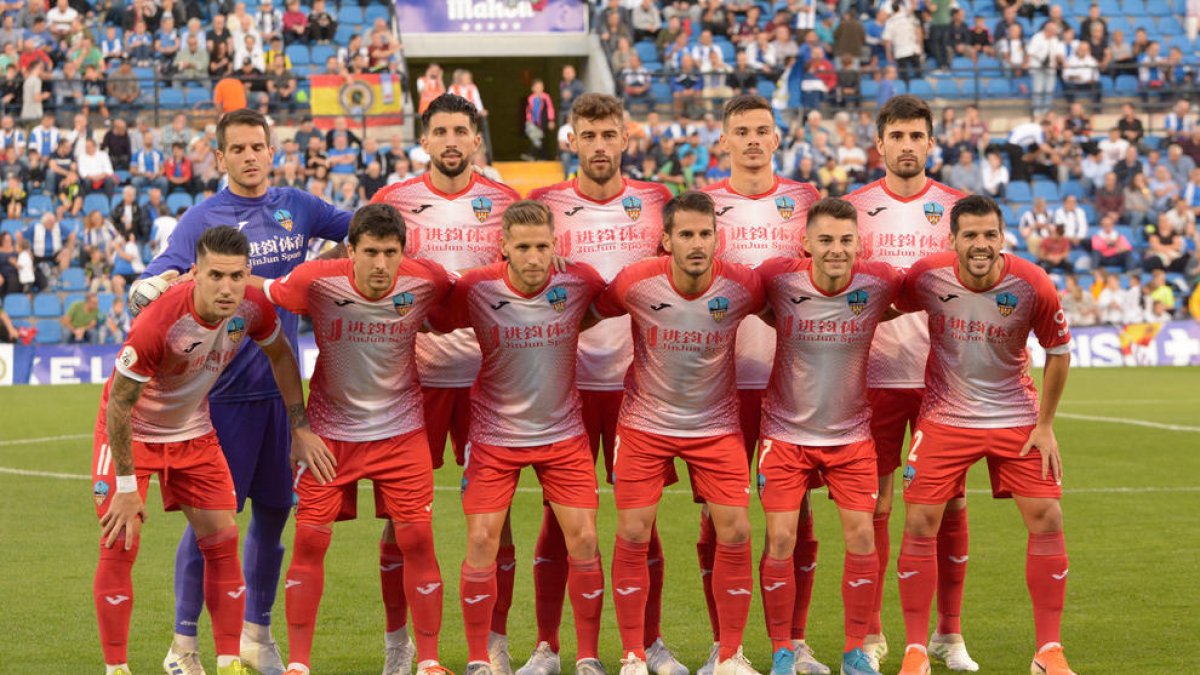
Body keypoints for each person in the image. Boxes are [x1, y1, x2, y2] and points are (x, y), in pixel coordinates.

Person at [132, 109, 352, 675]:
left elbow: (362, 231)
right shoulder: (203, 219)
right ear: (221, 156)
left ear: (271, 151)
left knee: (278, 512)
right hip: (221, 397)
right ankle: (183, 647)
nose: (251, 156)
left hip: (280, 395)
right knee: (214, 521)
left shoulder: (299, 207)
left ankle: (257, 634)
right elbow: (157, 279)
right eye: (240, 148)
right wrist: (152, 284)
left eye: (259, 146)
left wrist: (319, 269)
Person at [92, 225, 326, 675]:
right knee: (120, 540)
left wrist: (299, 426)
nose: (227, 288)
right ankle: (116, 668)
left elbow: (281, 355)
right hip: (131, 431)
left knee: (223, 538)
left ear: (248, 275)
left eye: (236, 276)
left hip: (193, 429)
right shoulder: (159, 322)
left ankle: (228, 661)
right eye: (216, 276)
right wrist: (125, 487)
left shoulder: (253, 308)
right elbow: (120, 405)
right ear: (193, 274)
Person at [526, 93, 683, 675]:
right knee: (557, 518)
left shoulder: (655, 202)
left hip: (641, 385)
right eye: (587, 135)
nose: (598, 145)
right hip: (561, 385)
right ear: (571, 139)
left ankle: (651, 641)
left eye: (607, 135)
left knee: (642, 520)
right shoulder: (545, 205)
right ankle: (548, 646)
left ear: (625, 138)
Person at [259, 204, 453, 675]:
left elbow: (469, 292)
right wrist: (183, 279)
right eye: (371, 252)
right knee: (308, 540)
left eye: (391, 253)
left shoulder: (427, 280)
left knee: (418, 541)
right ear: (352, 250)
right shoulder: (316, 281)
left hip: (401, 433)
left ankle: (424, 661)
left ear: (404, 251)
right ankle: (299, 666)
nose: (381, 265)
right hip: (329, 435)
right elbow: (256, 288)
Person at [892, 195, 1076, 675]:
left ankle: (1048, 652)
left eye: (989, 234)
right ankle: (915, 650)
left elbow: (1059, 351)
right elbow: (885, 303)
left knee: (1047, 518)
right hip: (945, 415)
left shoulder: (1032, 282)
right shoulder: (927, 274)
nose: (980, 244)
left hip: (1015, 415)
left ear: (1002, 237)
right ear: (951, 239)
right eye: (970, 235)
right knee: (919, 524)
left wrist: (1046, 425)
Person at [370, 93, 520, 675]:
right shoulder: (394, 202)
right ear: (425, 140)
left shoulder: (506, 204)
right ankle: (397, 645)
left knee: (497, 520)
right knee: (399, 521)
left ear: (476, 139)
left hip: (492, 383)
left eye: (463, 130)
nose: (452, 140)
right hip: (414, 381)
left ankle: (496, 643)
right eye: (441, 131)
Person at [430, 200, 607, 675]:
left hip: (563, 432)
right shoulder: (476, 287)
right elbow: (433, 320)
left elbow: (606, 305)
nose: (534, 258)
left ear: (556, 246)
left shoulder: (578, 280)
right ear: (503, 246)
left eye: (543, 247)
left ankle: (587, 656)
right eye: (523, 247)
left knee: (585, 539)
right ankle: (477, 659)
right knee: (483, 540)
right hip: (494, 434)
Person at [600, 191, 765, 675]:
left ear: (718, 238)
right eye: (686, 234)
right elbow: (587, 307)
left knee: (734, 529)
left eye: (705, 234)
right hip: (644, 424)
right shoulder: (635, 284)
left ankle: (730, 655)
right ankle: (634, 653)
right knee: (632, 531)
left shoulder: (742, 286)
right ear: (665, 240)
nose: (697, 243)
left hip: (715, 426)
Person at [844, 95, 973, 672]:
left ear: (929, 143)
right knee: (874, 500)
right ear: (880, 144)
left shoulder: (957, 209)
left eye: (916, 136)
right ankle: (870, 633)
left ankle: (949, 634)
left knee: (949, 503)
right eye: (896, 136)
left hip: (945, 378)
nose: (906, 145)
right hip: (872, 375)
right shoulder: (851, 210)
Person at [700, 94, 824, 675]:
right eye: (741, 131)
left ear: (778, 139)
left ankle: (793, 641)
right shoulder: (703, 207)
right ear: (722, 141)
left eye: (762, 130)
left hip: (796, 383)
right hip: (718, 384)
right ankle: (725, 645)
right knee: (717, 520)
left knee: (796, 517)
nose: (752, 139)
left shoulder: (806, 201)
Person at [756, 197, 898, 675]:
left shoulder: (879, 282)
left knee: (862, 536)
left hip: (851, 435)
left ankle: (856, 651)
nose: (836, 250)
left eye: (844, 241)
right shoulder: (778, 278)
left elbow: (930, 295)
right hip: (784, 431)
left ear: (859, 242)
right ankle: (782, 650)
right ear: (806, 244)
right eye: (826, 241)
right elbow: (737, 294)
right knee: (780, 539)